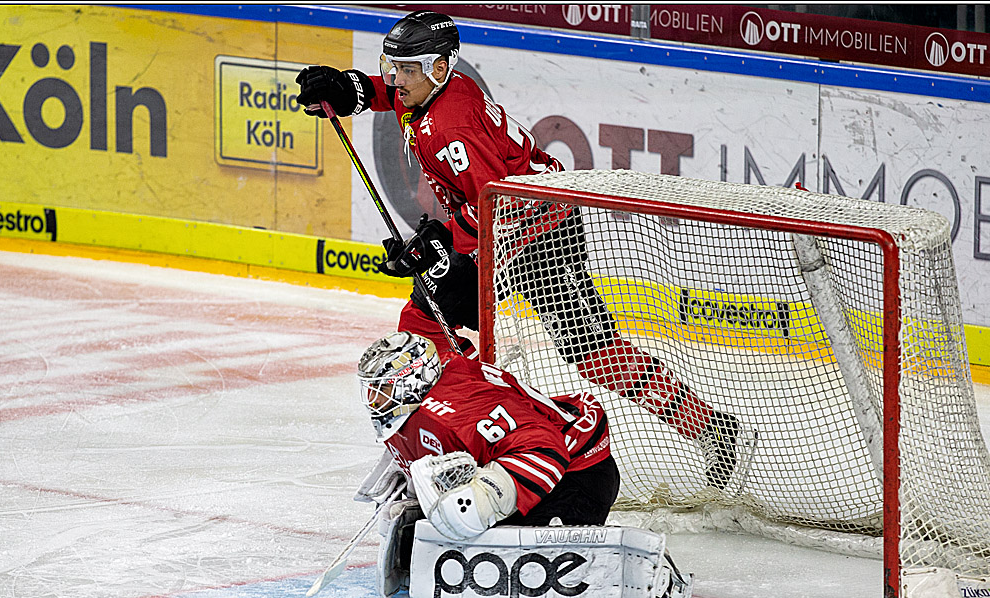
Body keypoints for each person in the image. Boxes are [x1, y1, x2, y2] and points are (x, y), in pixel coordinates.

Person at [296, 10, 744, 490]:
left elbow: (502, 201)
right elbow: (402, 100)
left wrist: (441, 241)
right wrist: (352, 90)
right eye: (394, 67)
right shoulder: (439, 90)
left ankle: (711, 427)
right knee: (425, 325)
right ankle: (451, 439)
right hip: (499, 227)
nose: (396, 79)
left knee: (592, 353)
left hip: (539, 230)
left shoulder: (452, 125)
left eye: (407, 69)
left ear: (439, 68)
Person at [356, 331, 619, 539]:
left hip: (577, 471)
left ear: (411, 382)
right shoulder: (418, 405)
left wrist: (484, 498)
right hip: (540, 449)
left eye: (382, 390)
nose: (373, 401)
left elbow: (547, 449)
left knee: (498, 543)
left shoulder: (458, 414)